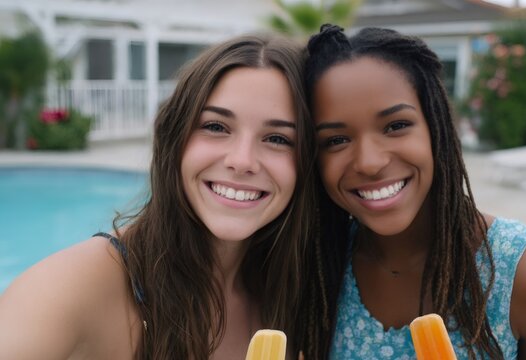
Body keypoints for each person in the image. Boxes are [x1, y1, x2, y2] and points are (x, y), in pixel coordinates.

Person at [0, 34, 317, 359]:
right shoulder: (68, 289)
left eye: (277, 138)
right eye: (216, 127)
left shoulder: (302, 292)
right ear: (175, 137)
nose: (242, 161)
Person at [298, 25, 526, 359]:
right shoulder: (316, 266)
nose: (370, 163)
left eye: (396, 126)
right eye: (336, 140)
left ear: (437, 126)